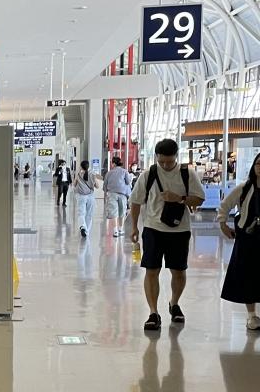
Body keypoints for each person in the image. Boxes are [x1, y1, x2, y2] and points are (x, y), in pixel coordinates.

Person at [129, 138, 206, 332]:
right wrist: (134, 227)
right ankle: (153, 312)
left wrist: (179, 198)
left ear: (176, 157)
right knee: (151, 270)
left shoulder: (187, 174)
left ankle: (174, 303)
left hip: (180, 230)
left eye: (169, 161)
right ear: (156, 157)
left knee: (178, 271)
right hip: (153, 228)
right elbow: (136, 201)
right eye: (161, 161)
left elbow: (199, 199)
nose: (165, 165)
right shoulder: (148, 174)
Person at [218, 152, 260, 330]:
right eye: (258, 164)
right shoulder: (244, 188)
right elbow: (225, 205)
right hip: (247, 238)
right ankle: (251, 316)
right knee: (247, 275)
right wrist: (223, 224)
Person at [103, 155, 132, 237]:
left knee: (113, 213)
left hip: (112, 194)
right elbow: (128, 182)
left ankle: (115, 231)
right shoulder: (124, 171)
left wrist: (105, 196)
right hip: (122, 195)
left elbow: (105, 185)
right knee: (122, 212)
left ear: (114, 164)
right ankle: (120, 229)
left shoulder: (109, 173)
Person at [72, 159, 97, 238]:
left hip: (81, 196)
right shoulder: (92, 174)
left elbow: (74, 184)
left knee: (81, 213)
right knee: (89, 214)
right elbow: (97, 186)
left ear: (81, 167)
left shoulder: (79, 174)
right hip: (90, 196)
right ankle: (87, 231)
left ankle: (82, 226)